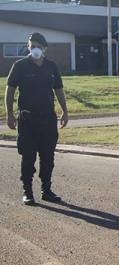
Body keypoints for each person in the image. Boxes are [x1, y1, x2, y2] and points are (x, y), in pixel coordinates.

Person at [5, 32, 69, 206]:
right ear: (28, 47)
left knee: (48, 156)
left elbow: (59, 90)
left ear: (44, 48)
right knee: (28, 156)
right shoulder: (19, 66)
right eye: (32, 46)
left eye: (38, 46)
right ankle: (27, 191)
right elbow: (10, 91)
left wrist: (65, 111)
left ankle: (46, 190)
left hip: (48, 119)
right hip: (27, 120)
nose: (35, 49)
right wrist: (9, 115)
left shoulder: (51, 66)